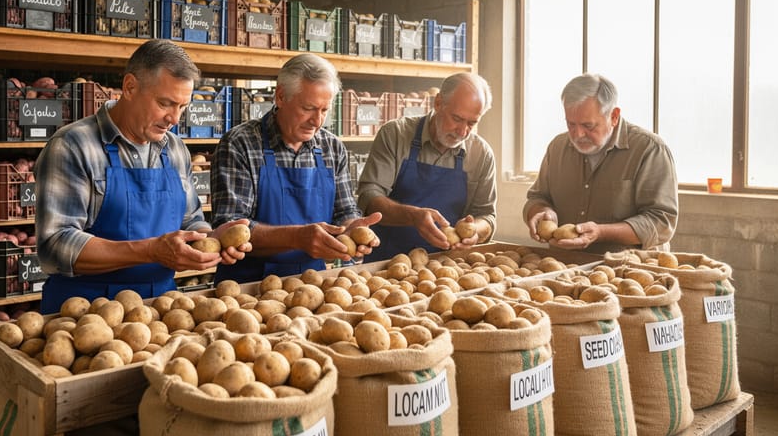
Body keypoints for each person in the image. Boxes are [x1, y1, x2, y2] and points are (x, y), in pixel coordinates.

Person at [35, 39, 250, 314]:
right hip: (84, 314)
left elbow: (190, 218)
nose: (174, 118)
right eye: (165, 103)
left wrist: (210, 238)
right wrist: (150, 251)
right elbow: (55, 245)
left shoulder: (174, 149)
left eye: (182, 107)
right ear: (130, 87)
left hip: (161, 312)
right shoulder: (73, 146)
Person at [210, 53, 380, 283]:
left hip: (314, 284)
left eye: (324, 110)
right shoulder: (240, 144)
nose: (317, 121)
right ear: (280, 96)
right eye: (308, 108)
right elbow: (230, 225)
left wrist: (352, 228)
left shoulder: (332, 147)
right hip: (248, 288)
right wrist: (298, 237)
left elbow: (344, 211)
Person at [524, 73, 679, 254]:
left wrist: (601, 232)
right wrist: (542, 212)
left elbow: (661, 222)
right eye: (571, 124)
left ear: (614, 116)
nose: (577, 134)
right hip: (564, 266)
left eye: (588, 126)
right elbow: (537, 197)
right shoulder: (557, 148)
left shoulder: (649, 149)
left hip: (628, 270)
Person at [356, 72, 498, 262]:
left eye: (472, 123)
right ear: (438, 103)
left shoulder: (481, 154)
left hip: (446, 269)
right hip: (386, 266)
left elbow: (487, 215)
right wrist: (412, 216)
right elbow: (369, 197)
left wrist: (475, 231)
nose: (462, 131)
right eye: (456, 119)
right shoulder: (396, 134)